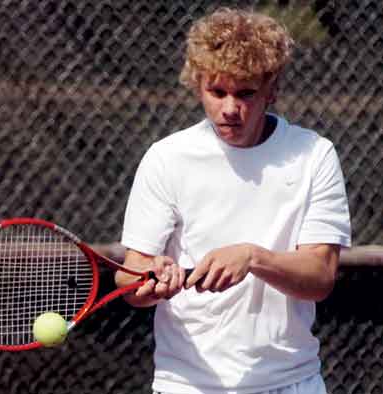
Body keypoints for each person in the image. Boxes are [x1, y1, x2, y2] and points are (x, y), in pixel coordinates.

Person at [115, 7, 351, 394]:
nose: (229, 108)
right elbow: (131, 276)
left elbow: (320, 277)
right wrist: (152, 278)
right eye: (217, 91)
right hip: (186, 385)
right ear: (197, 86)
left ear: (271, 89)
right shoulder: (166, 158)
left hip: (291, 382)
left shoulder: (315, 154)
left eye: (245, 93)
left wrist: (253, 257)